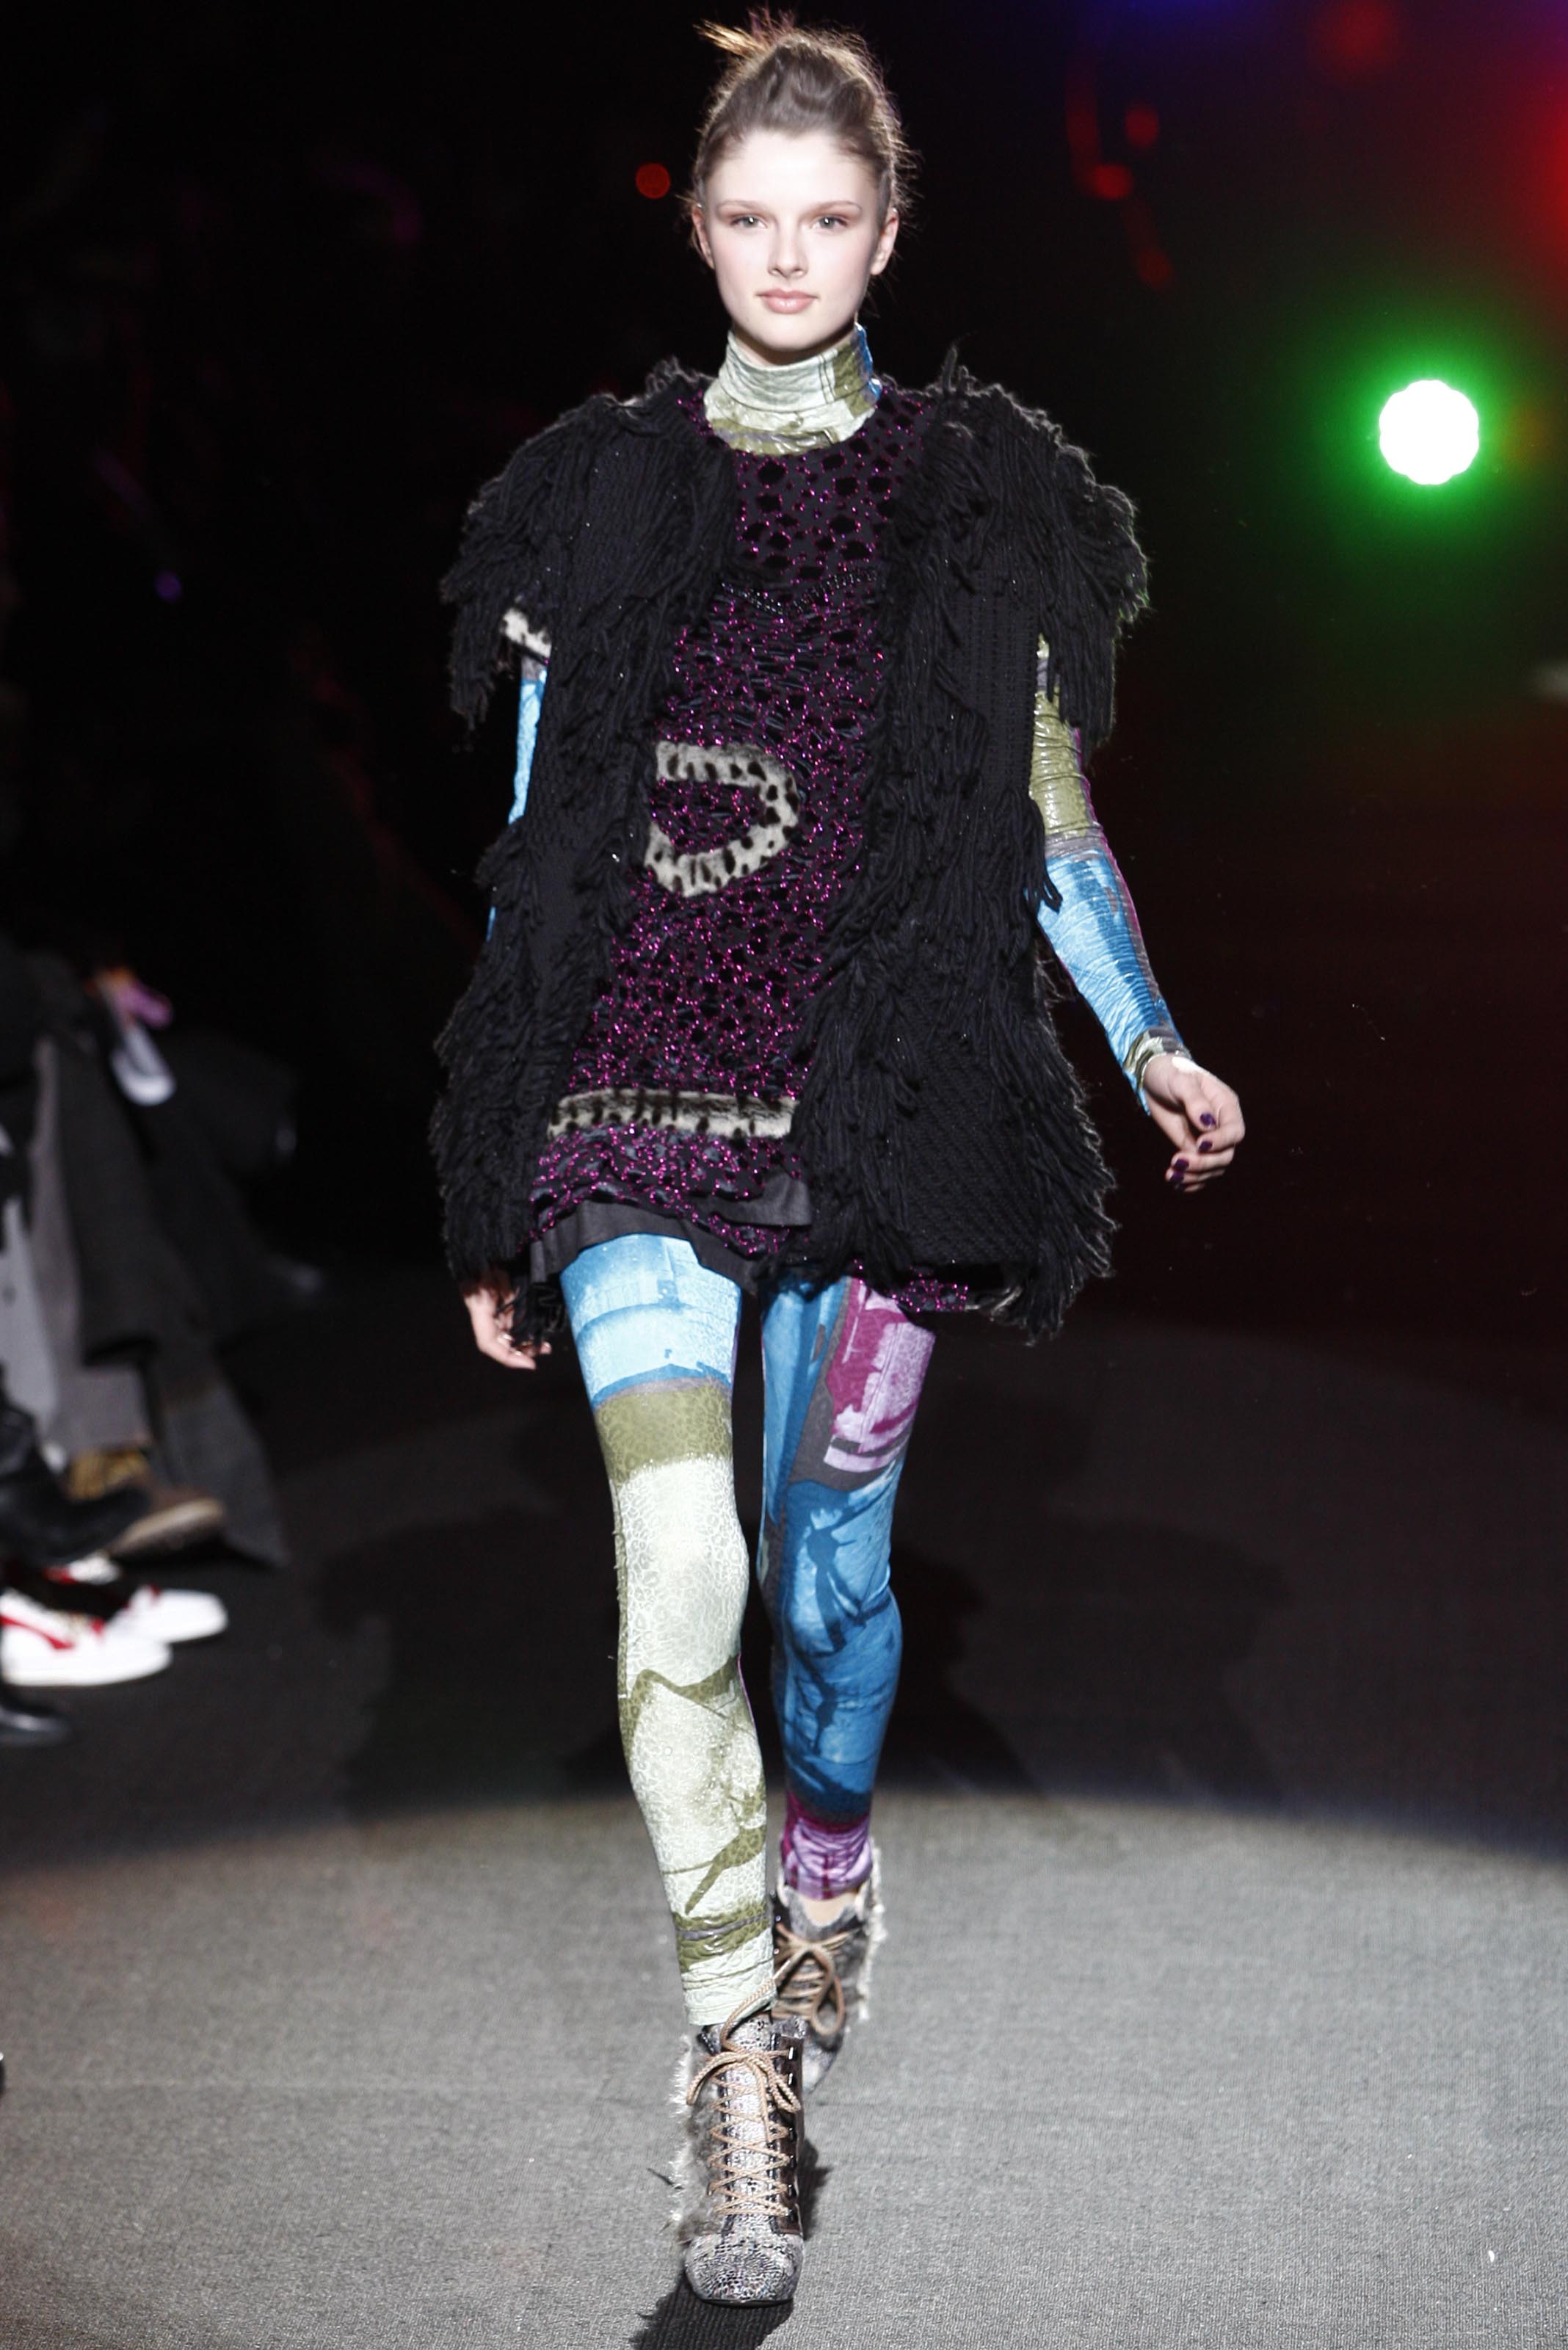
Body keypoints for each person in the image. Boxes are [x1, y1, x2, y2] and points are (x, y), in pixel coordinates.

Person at [433, 17, 1245, 2307]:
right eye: (748, 218)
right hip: (633, 1082)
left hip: (884, 1086)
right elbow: (542, 844)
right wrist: (497, 1150)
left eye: (828, 219)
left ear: (888, 233)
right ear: (697, 231)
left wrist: (1149, 1036)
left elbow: (1041, 809)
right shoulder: (593, 496)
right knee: (683, 1563)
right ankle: (732, 2057)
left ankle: (824, 1870)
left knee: (829, 1581)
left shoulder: (978, 493)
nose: (786, 258)